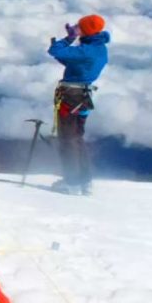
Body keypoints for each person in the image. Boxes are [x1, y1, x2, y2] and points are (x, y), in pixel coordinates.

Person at [46, 14, 110, 195]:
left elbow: (55, 51)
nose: (76, 27)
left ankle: (72, 182)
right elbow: (70, 60)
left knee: (67, 139)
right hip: (83, 96)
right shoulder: (98, 49)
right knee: (76, 138)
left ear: (86, 30)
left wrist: (69, 38)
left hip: (71, 96)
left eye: (79, 26)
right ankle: (84, 180)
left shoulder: (86, 51)